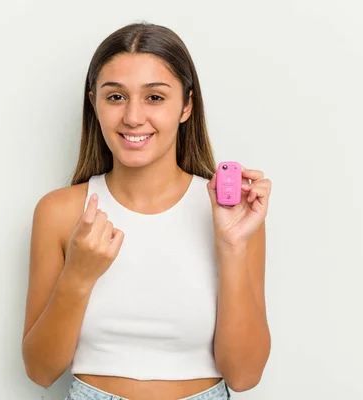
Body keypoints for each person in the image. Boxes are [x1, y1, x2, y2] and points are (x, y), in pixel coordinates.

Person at [22, 22, 272, 400]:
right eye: (116, 97)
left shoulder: (230, 214)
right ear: (94, 103)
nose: (133, 117)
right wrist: (78, 275)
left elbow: (244, 375)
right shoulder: (59, 212)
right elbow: (40, 370)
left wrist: (232, 246)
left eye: (155, 97)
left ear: (187, 105)